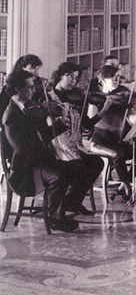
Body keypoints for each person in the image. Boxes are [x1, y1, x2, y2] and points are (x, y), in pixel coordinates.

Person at [2, 70, 76, 232]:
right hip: (24, 170)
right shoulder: (11, 115)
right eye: (30, 87)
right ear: (18, 89)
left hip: (34, 162)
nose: (34, 90)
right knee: (57, 176)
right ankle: (54, 219)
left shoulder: (22, 109)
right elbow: (22, 149)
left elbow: (40, 136)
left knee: (72, 168)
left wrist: (62, 123)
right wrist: (48, 155)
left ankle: (59, 211)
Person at [47, 62, 104, 216]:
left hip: (74, 145)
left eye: (76, 78)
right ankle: (65, 203)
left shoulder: (77, 99)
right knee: (80, 167)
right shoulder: (49, 98)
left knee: (97, 163)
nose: (73, 81)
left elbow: (86, 125)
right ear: (60, 75)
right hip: (56, 145)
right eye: (70, 76)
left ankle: (72, 201)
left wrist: (104, 109)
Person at [86, 65, 136, 202]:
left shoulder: (121, 97)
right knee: (118, 155)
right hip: (99, 141)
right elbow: (91, 123)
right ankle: (126, 186)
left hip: (116, 141)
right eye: (113, 77)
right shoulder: (95, 99)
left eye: (118, 77)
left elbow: (131, 119)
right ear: (103, 79)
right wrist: (106, 107)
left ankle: (122, 185)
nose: (117, 80)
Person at [0, 54, 44, 119]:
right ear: (22, 68)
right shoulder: (10, 86)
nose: (35, 72)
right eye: (32, 68)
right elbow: (2, 110)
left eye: (37, 69)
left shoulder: (39, 85)